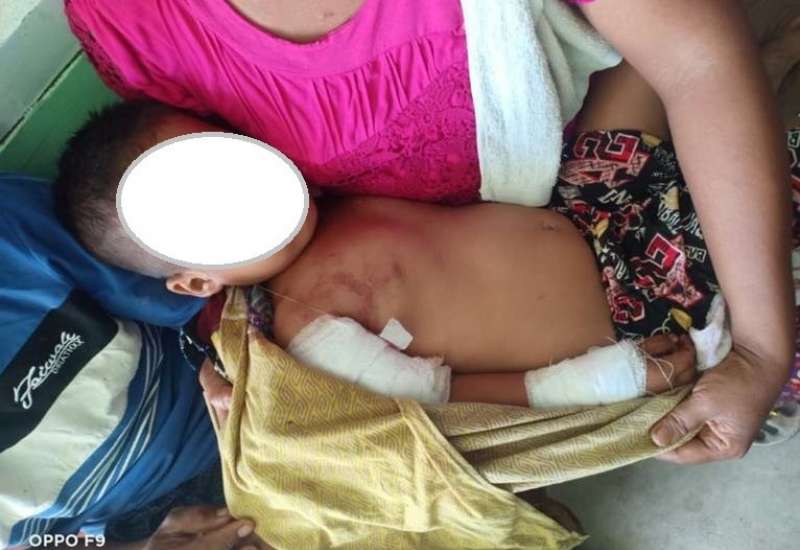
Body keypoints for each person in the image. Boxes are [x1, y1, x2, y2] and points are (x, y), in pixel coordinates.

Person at [64, 0, 796, 466]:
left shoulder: (317, 214)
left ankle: (763, 71)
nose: (258, 182)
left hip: (591, 199)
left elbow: (692, 58)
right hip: (641, 318)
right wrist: (611, 381)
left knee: (663, 67)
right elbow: (445, 399)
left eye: (233, 159)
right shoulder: (306, 335)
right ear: (197, 278)